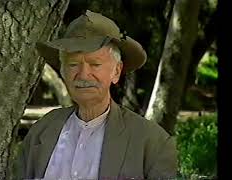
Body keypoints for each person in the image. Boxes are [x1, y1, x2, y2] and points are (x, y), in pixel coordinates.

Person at [14, 10, 177, 180]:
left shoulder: (151, 142)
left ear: (116, 71)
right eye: (73, 64)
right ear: (63, 71)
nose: (84, 74)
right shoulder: (41, 131)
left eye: (95, 64)